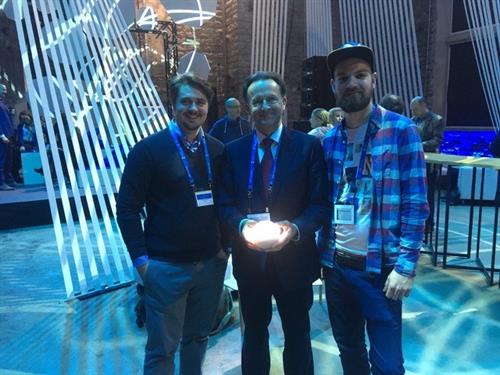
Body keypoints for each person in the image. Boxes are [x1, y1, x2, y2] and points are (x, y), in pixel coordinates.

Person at [320, 42, 429, 375]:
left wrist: (406, 266)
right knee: (350, 353)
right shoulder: (329, 141)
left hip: (380, 269)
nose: (351, 83)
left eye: (360, 75)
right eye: (343, 77)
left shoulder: (401, 131)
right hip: (337, 267)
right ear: (333, 86)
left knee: (388, 365)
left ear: (374, 79)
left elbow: (415, 203)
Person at [116, 73, 228, 375]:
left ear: (208, 106)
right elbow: (127, 209)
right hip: (165, 268)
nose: (194, 108)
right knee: (161, 349)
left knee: (197, 339)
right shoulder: (148, 151)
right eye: (186, 102)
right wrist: (142, 263)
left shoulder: (218, 150)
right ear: (173, 105)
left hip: (211, 266)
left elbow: (228, 204)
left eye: (200, 102)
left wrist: (225, 249)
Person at [219, 71, 329, 375]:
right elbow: (224, 203)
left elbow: (319, 205)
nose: (264, 106)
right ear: (248, 107)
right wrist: (241, 225)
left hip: (295, 259)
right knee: (254, 335)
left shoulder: (308, 147)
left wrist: (294, 229)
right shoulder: (234, 151)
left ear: (284, 102)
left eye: (270, 99)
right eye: (257, 101)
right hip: (250, 261)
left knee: (298, 335)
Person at [411, 96, 445, 231]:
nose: (413, 112)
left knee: (429, 194)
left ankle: (429, 223)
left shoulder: (437, 120)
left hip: (429, 164)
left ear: (424, 105)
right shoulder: (413, 121)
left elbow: (436, 141)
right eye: (412, 110)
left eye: (415, 109)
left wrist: (418, 145)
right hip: (415, 162)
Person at [0, 83, 15, 190]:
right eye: (3, 89)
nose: (5, 91)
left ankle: (9, 180)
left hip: (9, 135)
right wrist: (1, 135)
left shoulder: (2, 103)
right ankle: (2, 183)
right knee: (2, 159)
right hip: (3, 136)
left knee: (9, 159)